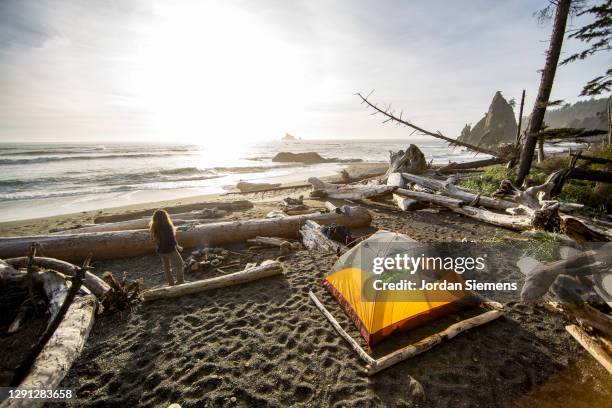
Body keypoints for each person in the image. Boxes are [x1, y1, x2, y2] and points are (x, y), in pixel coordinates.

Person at [149, 209, 184, 286]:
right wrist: (178, 247)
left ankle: (171, 283)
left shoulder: (154, 227)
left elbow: (154, 240)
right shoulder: (167, 226)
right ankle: (180, 282)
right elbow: (171, 240)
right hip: (170, 250)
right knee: (180, 264)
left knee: (167, 267)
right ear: (165, 217)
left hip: (161, 251)